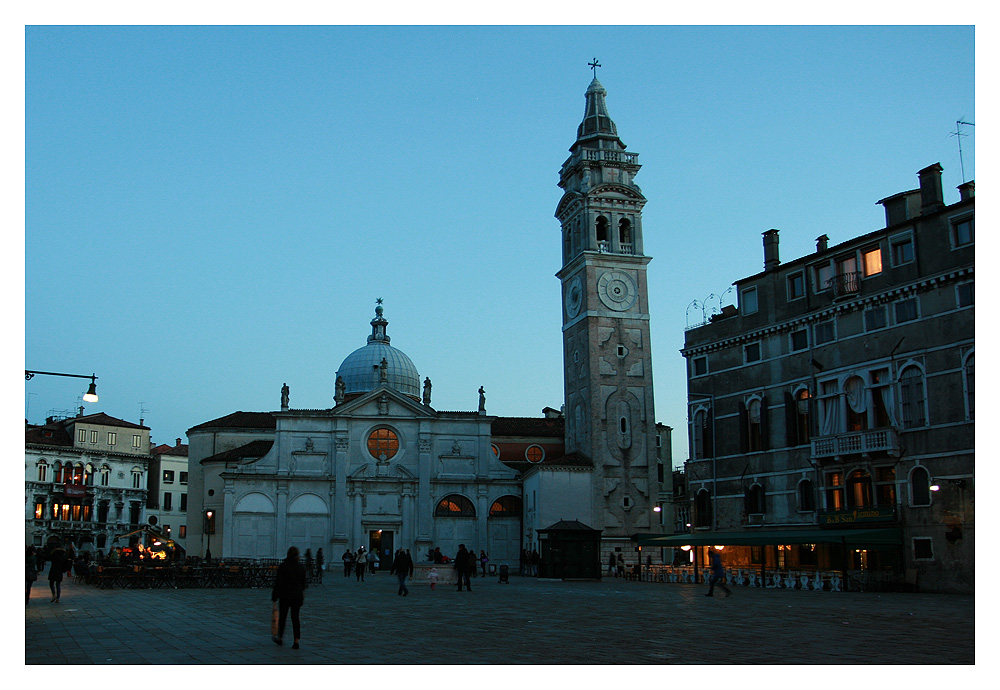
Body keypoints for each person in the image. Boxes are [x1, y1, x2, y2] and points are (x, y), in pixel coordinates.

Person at [271, 546, 307, 649]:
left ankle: (280, 637)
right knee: (295, 618)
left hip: (285, 595)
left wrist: (274, 597)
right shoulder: (301, 567)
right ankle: (296, 640)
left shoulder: (283, 566)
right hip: (297, 596)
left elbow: (278, 583)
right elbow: (303, 583)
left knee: (283, 617)